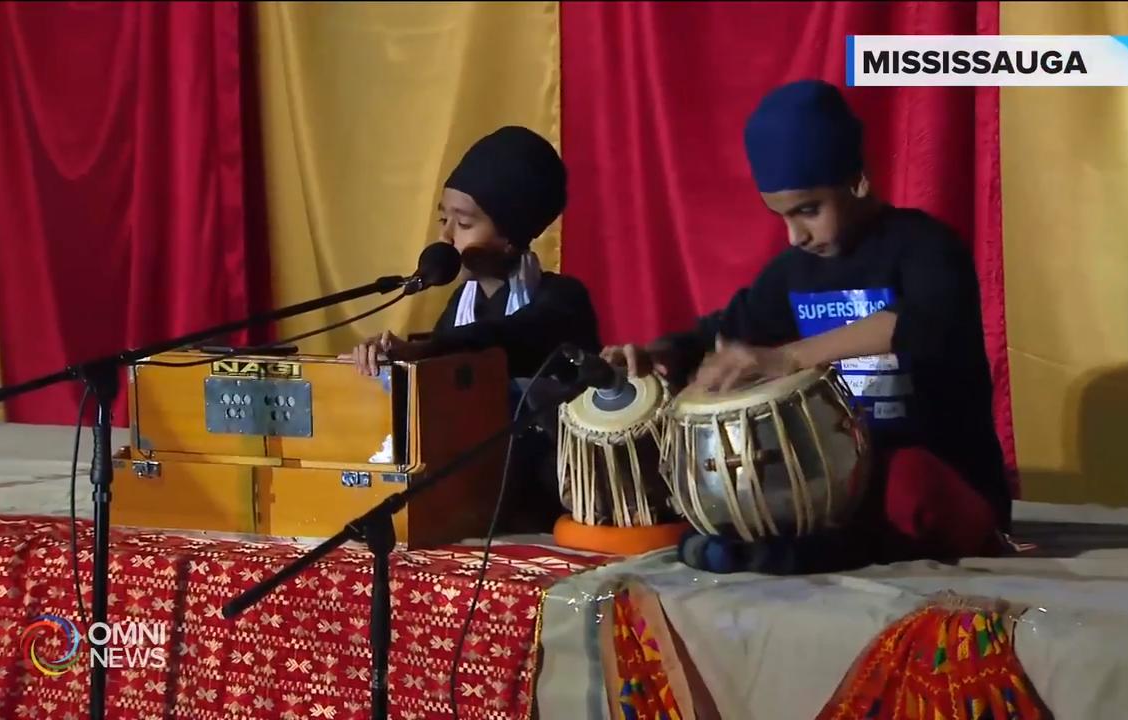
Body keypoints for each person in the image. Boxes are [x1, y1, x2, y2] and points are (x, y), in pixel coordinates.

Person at [602, 80, 1011, 574]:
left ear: (857, 180)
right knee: (777, 482)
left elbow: (923, 323)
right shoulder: (791, 274)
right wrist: (658, 354)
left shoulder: (925, 247)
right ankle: (779, 549)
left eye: (808, 211)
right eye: (782, 217)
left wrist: (790, 356)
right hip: (839, 482)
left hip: (944, 478)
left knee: (908, 484)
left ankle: (783, 553)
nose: (795, 235)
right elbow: (725, 332)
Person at [348, 125, 601, 531]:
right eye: (443, 219)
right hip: (467, 502)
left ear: (509, 236)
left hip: (546, 507)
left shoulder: (563, 300)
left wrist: (428, 351)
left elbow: (506, 340)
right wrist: (384, 364)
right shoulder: (458, 306)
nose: (445, 236)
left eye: (463, 223)